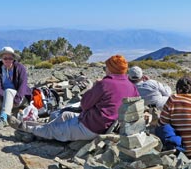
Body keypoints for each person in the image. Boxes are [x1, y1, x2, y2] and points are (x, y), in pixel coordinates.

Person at [8, 55, 140, 142]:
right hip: (103, 123)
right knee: (65, 115)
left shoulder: (105, 84)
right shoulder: (131, 86)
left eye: (107, 67)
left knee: (53, 129)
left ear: (111, 69)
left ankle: (25, 127)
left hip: (90, 127)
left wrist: (93, 87)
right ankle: (42, 130)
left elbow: (85, 104)